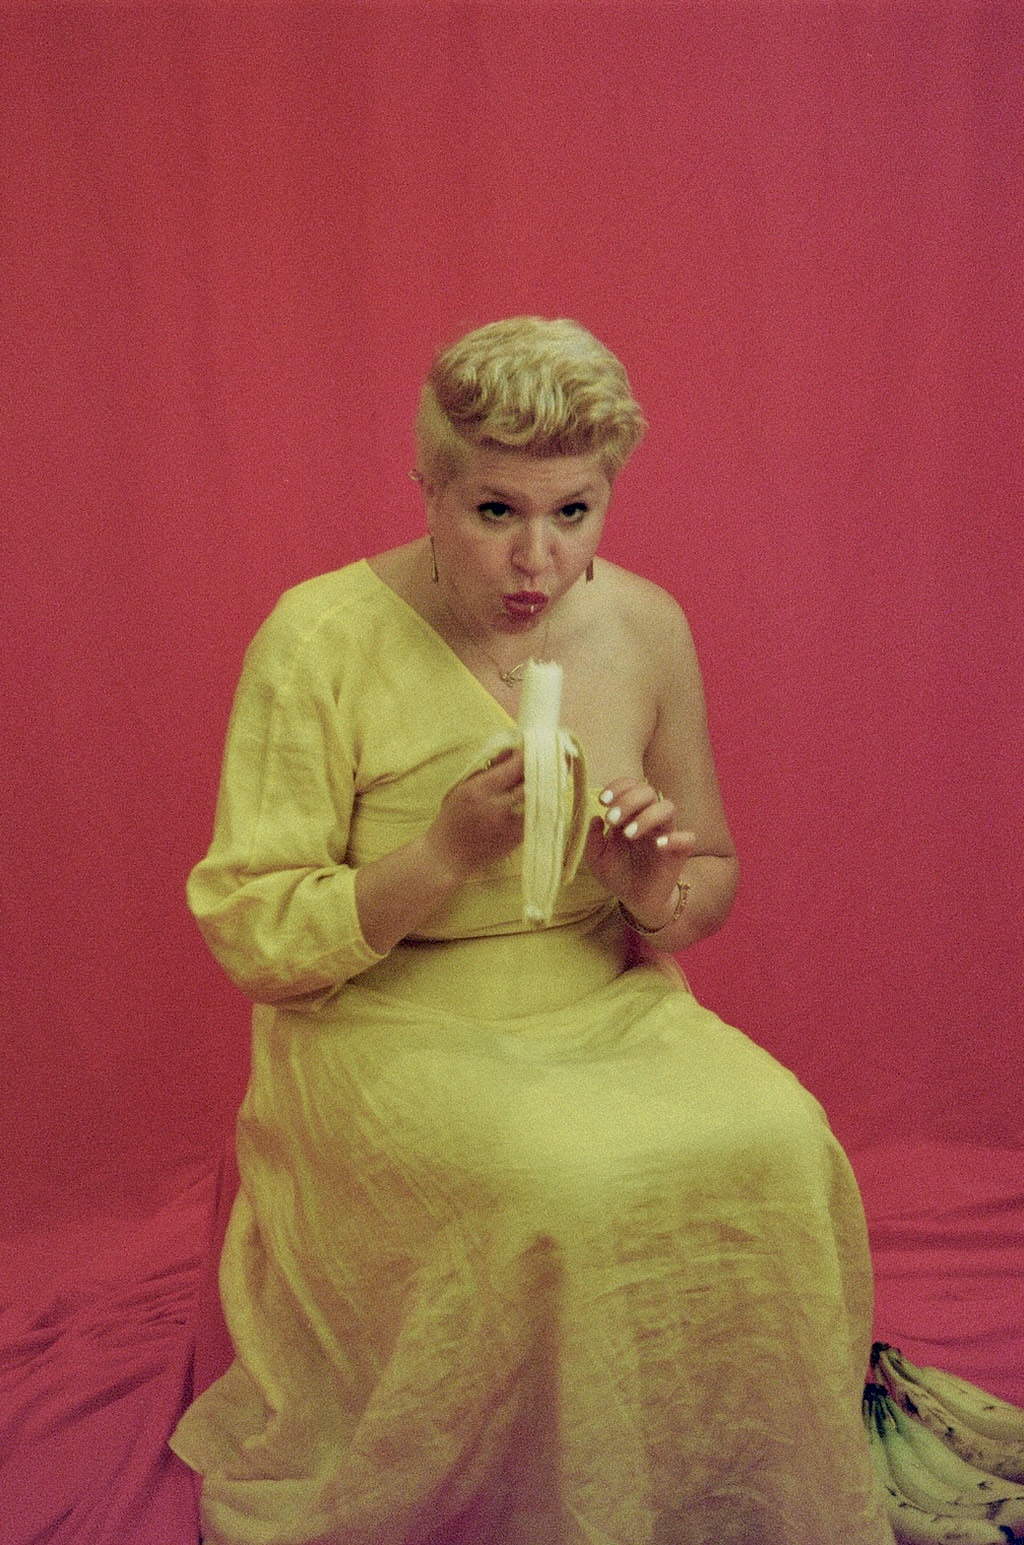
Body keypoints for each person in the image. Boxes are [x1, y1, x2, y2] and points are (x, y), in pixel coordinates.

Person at [170, 317, 893, 1545]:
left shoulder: (647, 625)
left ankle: (739, 1487)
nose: (537, 561)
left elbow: (704, 881)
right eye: (495, 511)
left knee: (780, 1138)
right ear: (431, 488)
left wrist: (643, 878)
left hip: (599, 995)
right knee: (557, 1181)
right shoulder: (317, 638)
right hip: (382, 1020)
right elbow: (257, 938)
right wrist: (442, 852)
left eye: (574, 513)